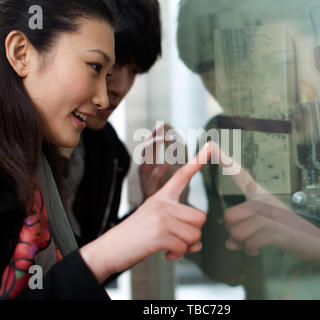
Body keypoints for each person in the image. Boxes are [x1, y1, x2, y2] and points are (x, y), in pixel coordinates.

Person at [0, 0, 211, 300]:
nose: (113, 91)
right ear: (22, 53)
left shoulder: (106, 153)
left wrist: (145, 218)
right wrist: (112, 249)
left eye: (134, 70)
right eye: (98, 67)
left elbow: (78, 271)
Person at [176, 0, 320, 299]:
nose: (269, 90)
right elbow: (236, 266)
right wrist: (183, 217)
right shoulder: (232, 139)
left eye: (282, 63)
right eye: (208, 72)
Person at [60, 0, 166, 248]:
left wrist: (148, 210)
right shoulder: (13, 145)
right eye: (103, 64)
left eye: (134, 71)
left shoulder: (110, 153)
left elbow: (88, 272)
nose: (120, 87)